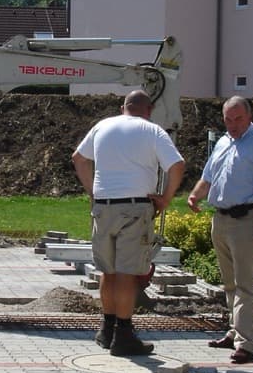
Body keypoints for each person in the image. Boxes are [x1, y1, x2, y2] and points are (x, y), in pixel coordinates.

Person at [72, 90, 185, 356]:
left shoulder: (102, 126)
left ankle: (107, 329)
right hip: (135, 209)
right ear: (149, 109)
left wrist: (93, 192)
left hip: (103, 208)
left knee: (107, 272)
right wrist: (165, 199)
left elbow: (78, 159)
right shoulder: (153, 131)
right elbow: (177, 165)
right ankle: (123, 335)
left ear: (123, 107)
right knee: (126, 274)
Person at [187, 96, 253, 364]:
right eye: (228, 119)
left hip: (246, 219)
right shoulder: (223, 142)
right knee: (229, 283)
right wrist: (195, 196)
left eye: (238, 119)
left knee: (245, 284)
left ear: (249, 117)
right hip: (221, 219)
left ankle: (245, 344)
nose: (232, 125)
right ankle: (234, 332)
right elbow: (207, 177)